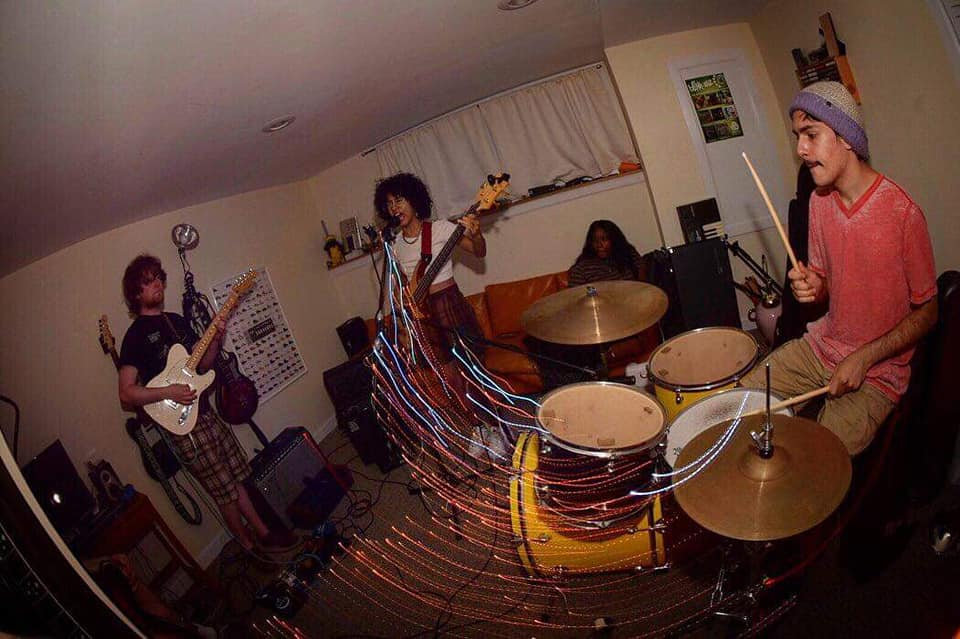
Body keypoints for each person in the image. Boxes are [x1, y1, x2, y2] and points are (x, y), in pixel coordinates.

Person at [740, 81, 938, 456]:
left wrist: (865, 357)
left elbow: (929, 311)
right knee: (741, 404)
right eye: (798, 137)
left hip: (878, 371)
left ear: (846, 137)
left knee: (817, 461)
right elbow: (826, 285)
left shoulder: (902, 213)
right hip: (822, 346)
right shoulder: (819, 202)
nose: (800, 149)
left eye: (811, 134)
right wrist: (815, 287)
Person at [117, 254, 296, 552]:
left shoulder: (175, 321)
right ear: (136, 293)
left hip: (206, 413)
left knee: (236, 478)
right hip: (184, 426)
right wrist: (168, 392)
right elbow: (126, 393)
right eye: (148, 281)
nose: (157, 283)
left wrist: (215, 340)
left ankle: (264, 534)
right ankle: (248, 545)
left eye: (158, 277)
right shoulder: (134, 337)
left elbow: (203, 367)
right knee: (223, 492)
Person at [373, 172, 486, 374]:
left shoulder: (440, 228)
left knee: (473, 367)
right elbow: (399, 284)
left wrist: (477, 235)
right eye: (389, 203)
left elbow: (479, 252)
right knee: (446, 374)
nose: (394, 207)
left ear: (414, 200)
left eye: (399, 200)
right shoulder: (394, 244)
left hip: (448, 304)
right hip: (420, 315)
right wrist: (401, 317)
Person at [567, 220, 648, 287]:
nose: (599, 245)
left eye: (604, 239)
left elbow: (643, 286)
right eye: (595, 240)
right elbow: (575, 296)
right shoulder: (581, 269)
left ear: (614, 240)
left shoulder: (628, 254)